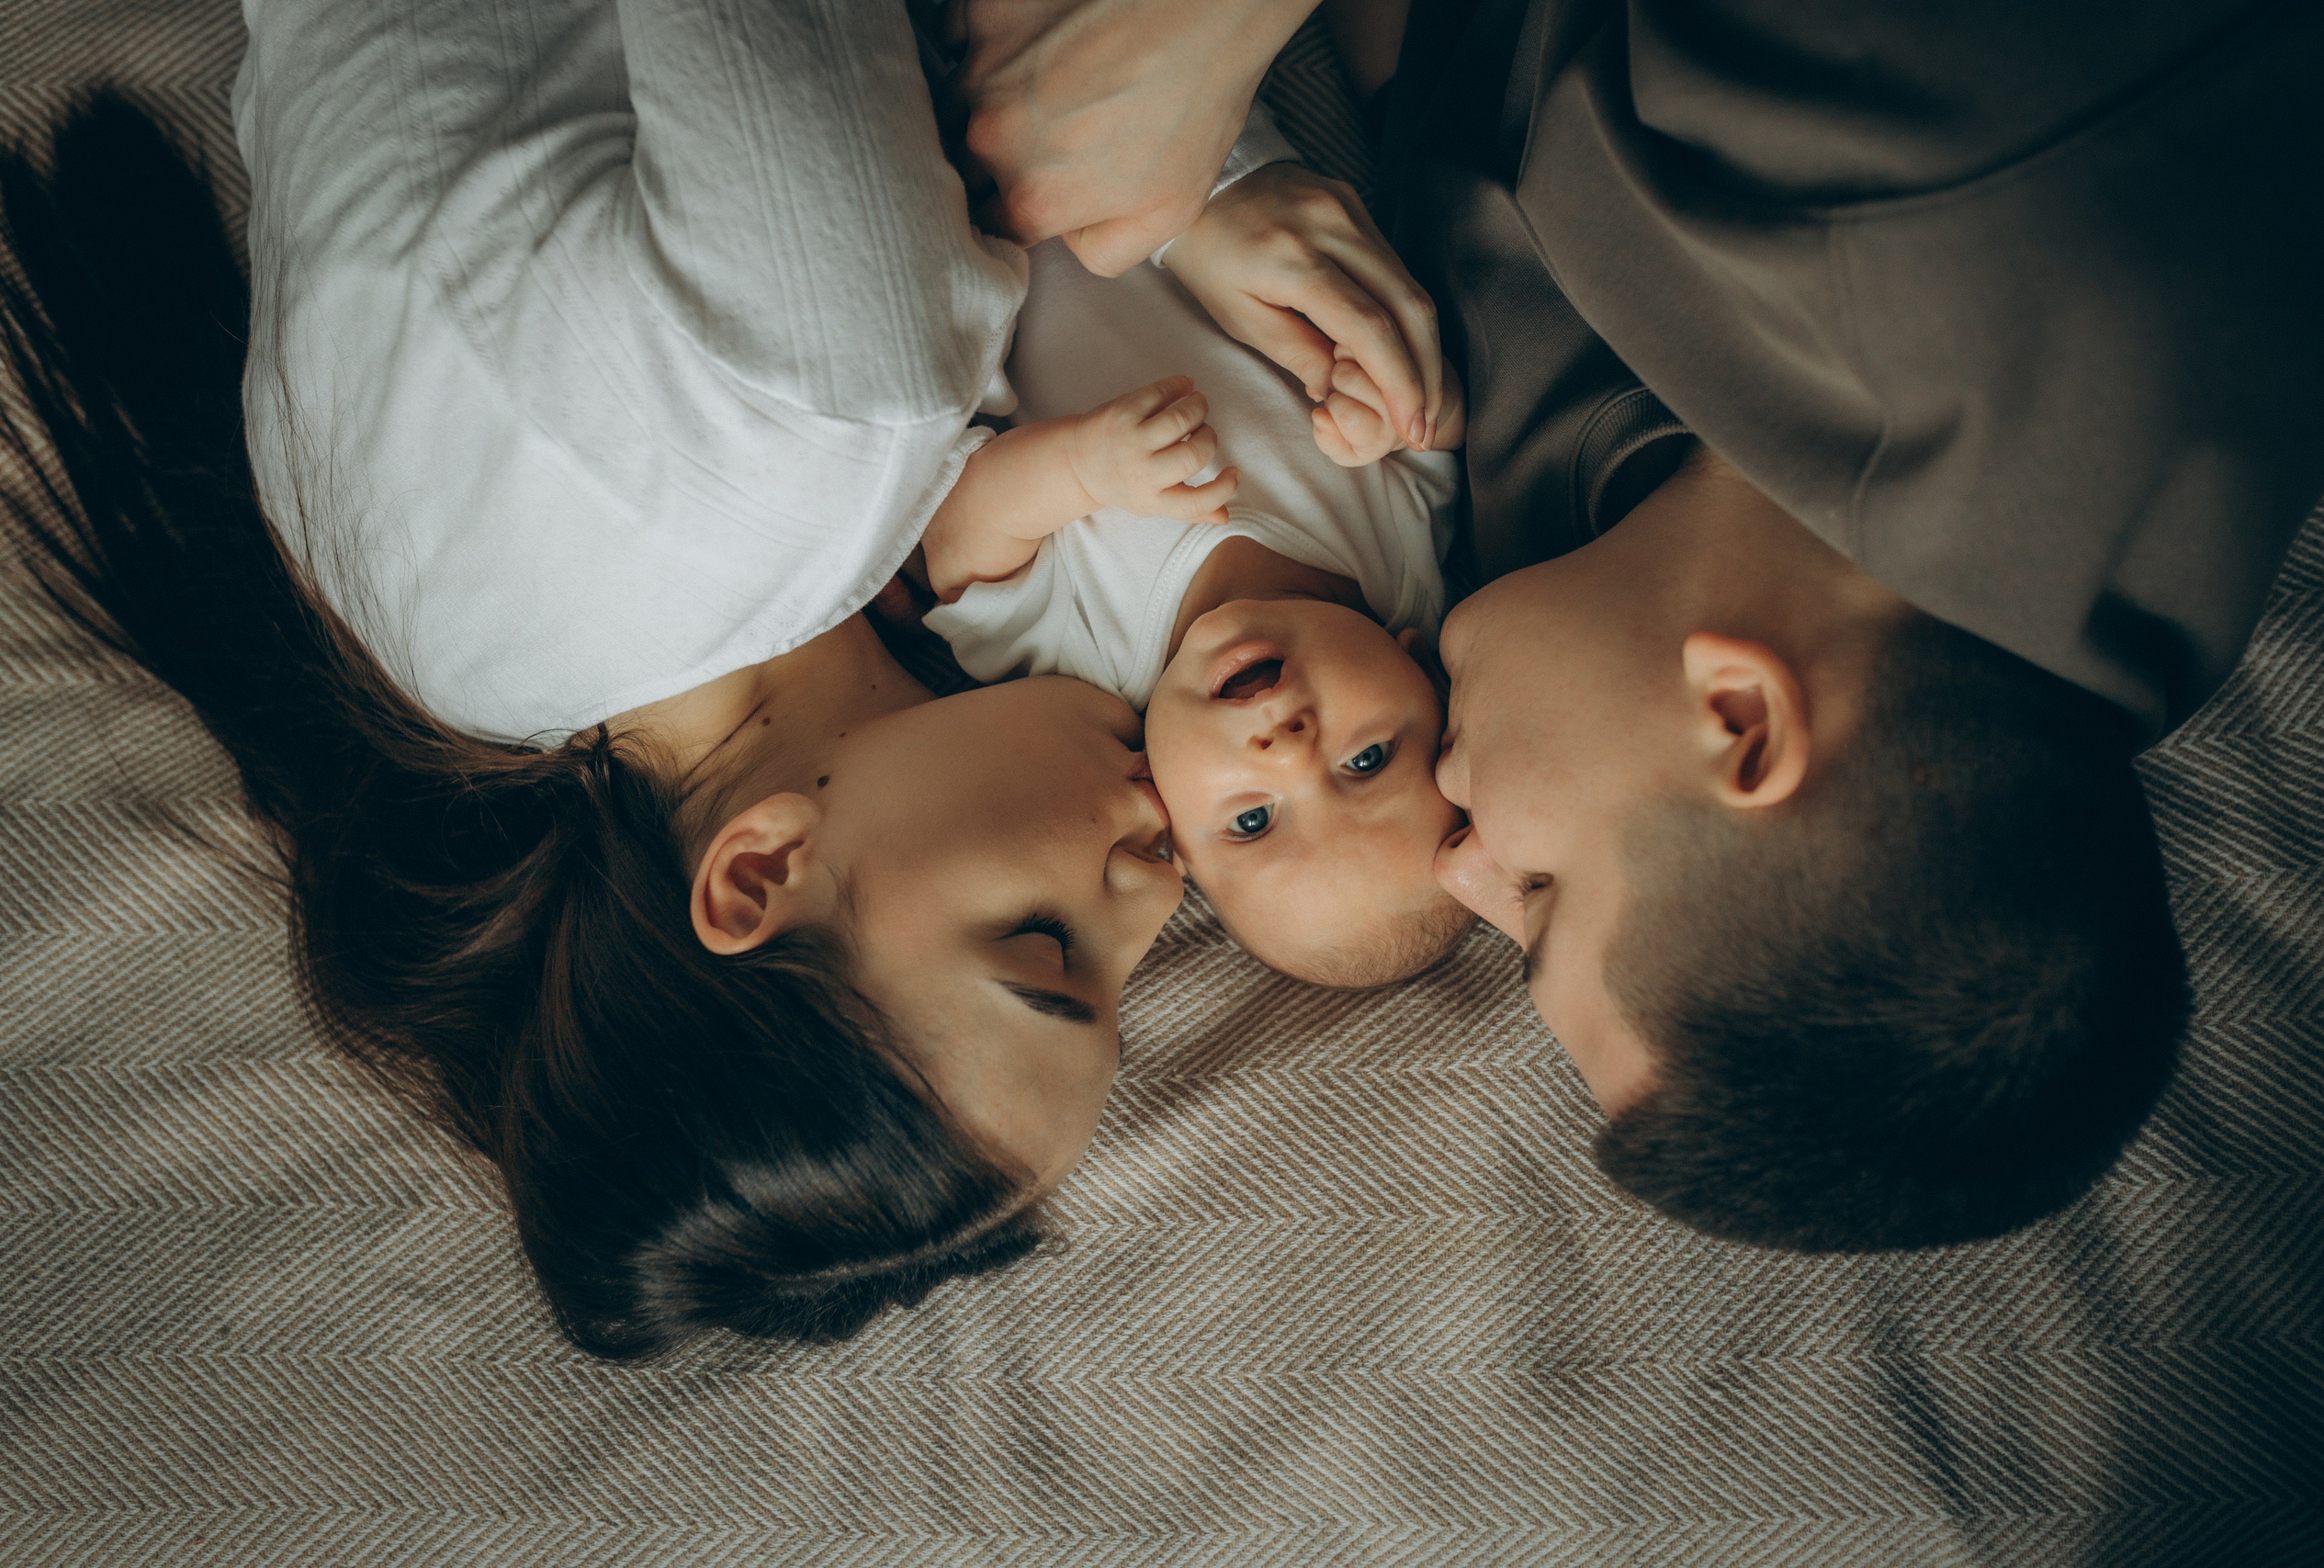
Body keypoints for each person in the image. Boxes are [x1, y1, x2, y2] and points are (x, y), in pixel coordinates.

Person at [0, 1, 1449, 1356]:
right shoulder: (437, 670)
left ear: (759, 872)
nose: (1160, 878)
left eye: (1048, 944)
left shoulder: (832, 419)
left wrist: (1181, 154)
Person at [953, 0, 2324, 1249]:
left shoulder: (1601, 616)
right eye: (1541, 896)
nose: (1466, 858)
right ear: (1739, 722)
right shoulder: (1989, 197)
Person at [919, 229, 1471, 987]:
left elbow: (956, 541)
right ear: (1418, 665)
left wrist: (1081, 466)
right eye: (1365, 760)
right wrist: (1389, 406)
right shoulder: (1401, 568)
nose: (1290, 750)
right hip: (1177, 202)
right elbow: (1433, 431)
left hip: (970, 249)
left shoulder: (1083, 678)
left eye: (1253, 821)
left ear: (1169, 824)